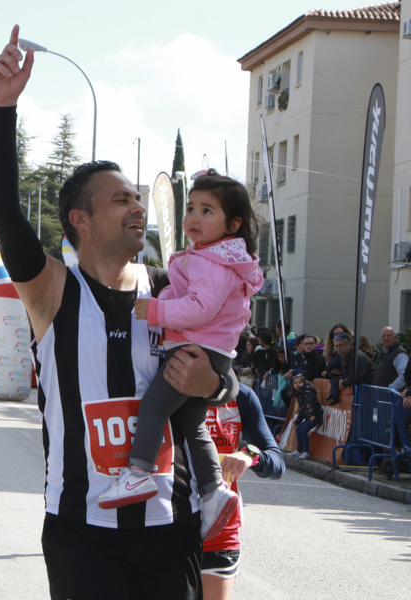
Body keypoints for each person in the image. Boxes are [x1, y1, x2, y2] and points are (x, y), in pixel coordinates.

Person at [0, 26, 233, 598]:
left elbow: (223, 367)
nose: (137, 206)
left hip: (170, 527)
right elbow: (5, 213)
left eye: (137, 198)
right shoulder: (53, 291)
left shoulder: (175, 287)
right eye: (121, 198)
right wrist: (4, 109)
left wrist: (215, 384)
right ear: (81, 219)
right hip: (82, 530)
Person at [101, 172, 263, 539]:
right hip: (208, 350)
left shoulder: (211, 260)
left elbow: (201, 308)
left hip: (195, 350)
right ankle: (214, 492)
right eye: (191, 208)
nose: (193, 217)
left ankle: (138, 473)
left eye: (207, 211)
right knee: (194, 425)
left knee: (155, 408)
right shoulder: (212, 257)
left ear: (232, 224)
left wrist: (155, 311)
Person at [201, 384, 284, 599]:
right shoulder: (166, 384)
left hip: (220, 527)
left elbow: (276, 461)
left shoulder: (241, 395)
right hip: (169, 522)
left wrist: (249, 454)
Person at [328, 332, 375, 405]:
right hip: (361, 392)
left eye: (341, 345)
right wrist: (340, 380)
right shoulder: (345, 356)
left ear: (349, 344)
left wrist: (343, 382)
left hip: (366, 393)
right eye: (336, 346)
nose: (339, 349)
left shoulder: (356, 357)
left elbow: (354, 377)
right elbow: (346, 374)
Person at [286, 374, 322, 460]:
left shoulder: (307, 392)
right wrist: (296, 422)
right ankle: (299, 450)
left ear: (304, 383)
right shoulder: (299, 394)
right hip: (309, 415)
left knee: (303, 430)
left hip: (315, 415)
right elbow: (302, 410)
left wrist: (311, 415)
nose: (297, 384)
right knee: (298, 430)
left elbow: (309, 404)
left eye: (300, 382)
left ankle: (306, 451)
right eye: (295, 383)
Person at [373, 326, 408, 391]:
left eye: (389, 335)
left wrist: (390, 388)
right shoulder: (382, 353)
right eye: (383, 336)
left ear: (395, 337)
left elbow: (404, 375)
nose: (386, 338)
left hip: (390, 396)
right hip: (379, 394)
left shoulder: (400, 354)